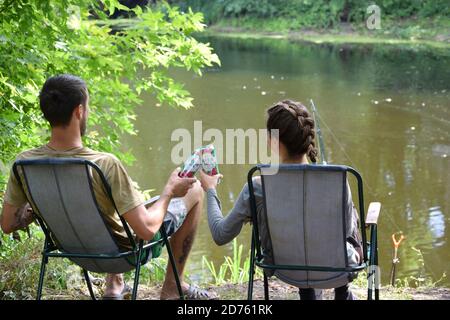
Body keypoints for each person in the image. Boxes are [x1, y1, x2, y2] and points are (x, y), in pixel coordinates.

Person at [0, 74, 214, 300]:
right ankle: (173, 287)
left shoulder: (24, 164)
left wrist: (42, 207)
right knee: (195, 190)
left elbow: (7, 224)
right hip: (119, 254)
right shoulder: (102, 164)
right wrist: (170, 191)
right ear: (79, 111)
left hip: (72, 252)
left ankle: (115, 284)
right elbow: (147, 230)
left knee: (116, 205)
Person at [199, 99, 362, 300]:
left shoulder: (258, 186)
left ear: (274, 142)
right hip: (336, 267)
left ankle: (308, 293)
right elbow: (345, 233)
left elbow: (220, 234)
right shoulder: (338, 181)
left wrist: (210, 189)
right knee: (350, 219)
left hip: (285, 267)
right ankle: (342, 293)